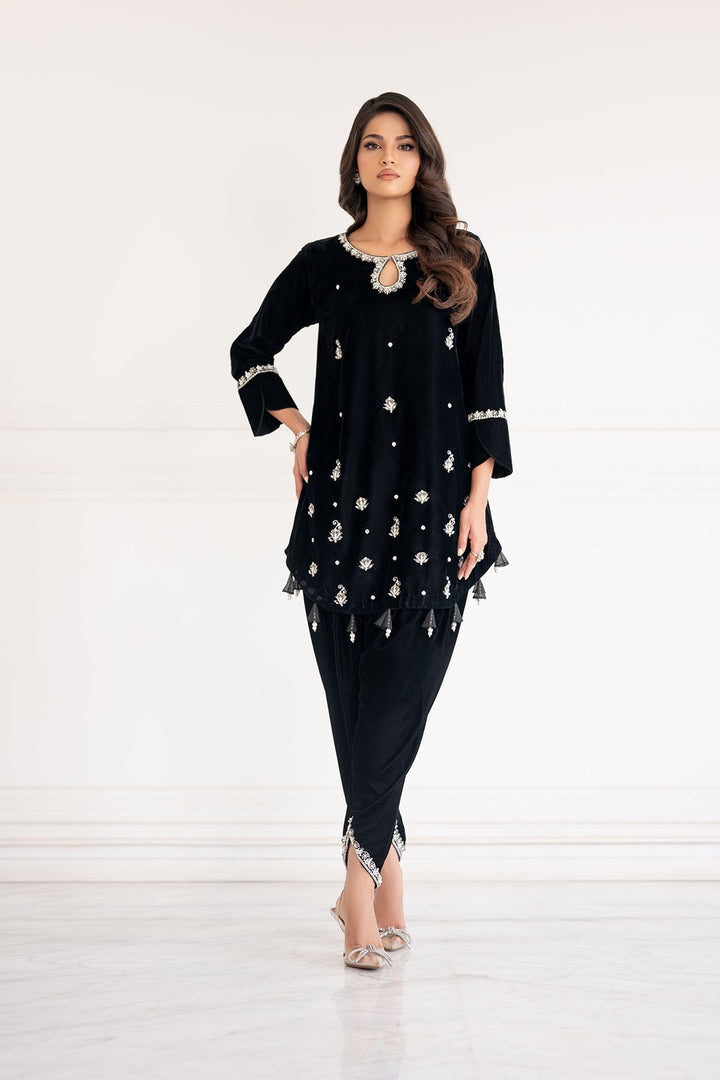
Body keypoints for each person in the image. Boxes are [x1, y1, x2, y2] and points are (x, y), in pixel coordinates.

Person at [230, 92, 513, 970]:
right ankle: (381, 881)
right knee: (354, 708)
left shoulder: (460, 258)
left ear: (424, 160)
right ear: (354, 161)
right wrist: (299, 429)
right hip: (340, 515)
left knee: (399, 702)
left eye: (404, 144)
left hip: (436, 512)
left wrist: (478, 497)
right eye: (372, 143)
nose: (389, 157)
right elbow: (249, 349)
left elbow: (486, 383)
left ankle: (356, 882)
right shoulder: (323, 264)